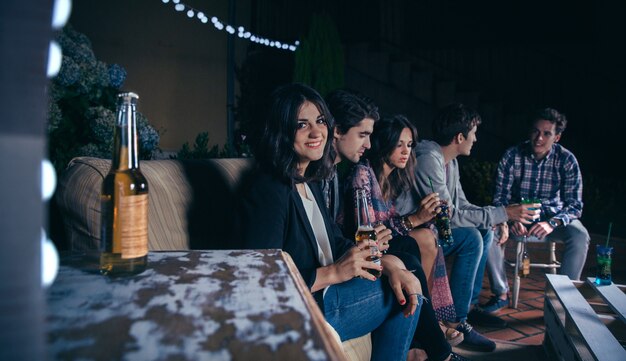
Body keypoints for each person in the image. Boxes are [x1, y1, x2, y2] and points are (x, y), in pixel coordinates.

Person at [238, 83, 422, 361]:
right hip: (304, 305)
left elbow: (334, 240)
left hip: (327, 292)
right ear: (280, 129)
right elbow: (261, 279)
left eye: (321, 121)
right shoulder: (269, 188)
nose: (316, 132)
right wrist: (334, 273)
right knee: (406, 291)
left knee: (404, 272)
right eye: (302, 124)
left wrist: (386, 262)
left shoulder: (307, 181)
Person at [325, 90, 468, 361]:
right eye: (400, 144)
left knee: (420, 244)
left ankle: (430, 335)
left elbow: (380, 230)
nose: (406, 151)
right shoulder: (360, 174)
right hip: (348, 260)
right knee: (412, 249)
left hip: (359, 252)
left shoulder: (389, 179)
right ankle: (435, 342)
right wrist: (414, 219)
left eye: (410, 145)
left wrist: (423, 219)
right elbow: (363, 232)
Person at [397, 103, 539, 352]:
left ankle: (468, 308)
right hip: (413, 232)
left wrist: (498, 219)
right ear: (459, 137)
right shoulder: (428, 159)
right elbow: (447, 217)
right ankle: (457, 320)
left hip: (435, 229)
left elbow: (461, 204)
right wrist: (503, 212)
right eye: (473, 133)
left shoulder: (449, 162)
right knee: (472, 238)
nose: (475, 139)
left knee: (484, 231)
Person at [484, 107, 590, 313]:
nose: (539, 138)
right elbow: (499, 198)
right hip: (518, 216)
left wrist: (552, 223)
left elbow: (575, 206)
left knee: (580, 235)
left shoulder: (567, 160)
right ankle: (501, 293)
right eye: (535, 131)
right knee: (489, 230)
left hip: (552, 220)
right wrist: (510, 219)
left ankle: (562, 300)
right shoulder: (512, 155)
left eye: (546, 133)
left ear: (557, 137)